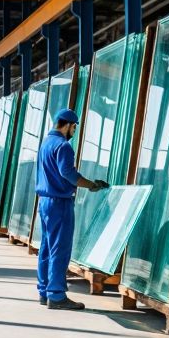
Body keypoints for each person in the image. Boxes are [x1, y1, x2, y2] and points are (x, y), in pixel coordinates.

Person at [35, 108, 108, 310]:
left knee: (46, 248)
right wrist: (91, 185)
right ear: (68, 125)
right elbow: (68, 173)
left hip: (44, 202)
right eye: (74, 127)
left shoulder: (45, 144)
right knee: (60, 248)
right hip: (59, 203)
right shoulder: (63, 146)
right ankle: (57, 295)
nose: (74, 131)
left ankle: (44, 291)